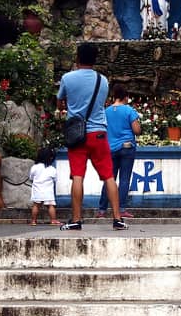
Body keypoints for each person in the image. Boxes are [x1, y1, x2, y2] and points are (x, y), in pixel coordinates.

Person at [57, 43, 128, 231]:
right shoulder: (103, 81)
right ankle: (117, 219)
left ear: (77, 58)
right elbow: (99, 103)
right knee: (109, 176)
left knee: (78, 176)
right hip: (98, 134)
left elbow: (60, 102)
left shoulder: (67, 78)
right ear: (95, 60)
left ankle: (76, 220)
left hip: (77, 135)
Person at [96, 86, 141, 219]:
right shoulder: (129, 110)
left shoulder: (106, 111)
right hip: (127, 148)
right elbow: (137, 130)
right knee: (124, 179)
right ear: (125, 97)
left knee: (109, 179)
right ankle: (121, 209)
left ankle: (102, 210)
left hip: (110, 149)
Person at [28, 147, 60, 226]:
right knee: (50, 206)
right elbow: (55, 179)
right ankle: (53, 220)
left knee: (36, 205)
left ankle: (33, 221)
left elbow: (31, 178)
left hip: (37, 190)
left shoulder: (34, 167)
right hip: (48, 191)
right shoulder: (52, 169)